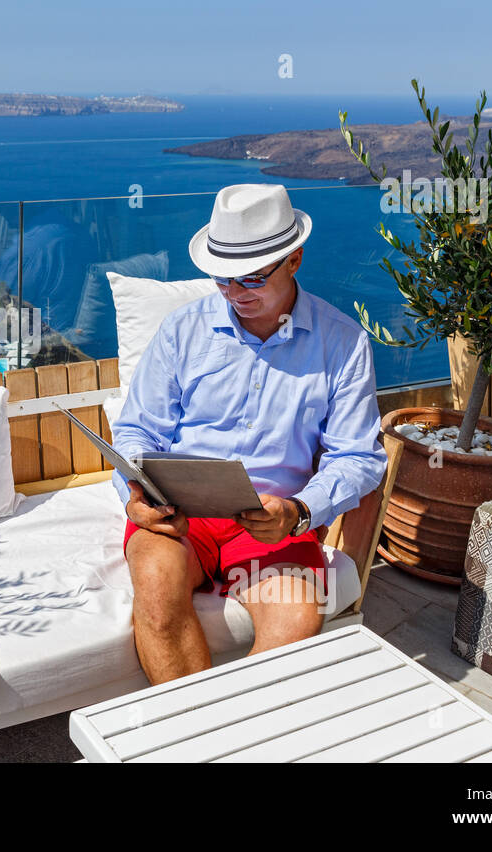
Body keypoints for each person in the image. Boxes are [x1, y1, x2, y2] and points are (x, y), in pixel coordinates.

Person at [112, 184, 386, 685]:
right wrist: (135, 492)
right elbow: (136, 430)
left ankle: (243, 733)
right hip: (180, 515)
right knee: (155, 587)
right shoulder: (181, 330)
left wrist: (302, 511)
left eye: (253, 279)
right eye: (222, 280)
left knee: (296, 617)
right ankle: (192, 740)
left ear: (294, 260)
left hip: (274, 521)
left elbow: (359, 458)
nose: (236, 295)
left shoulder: (343, 343)